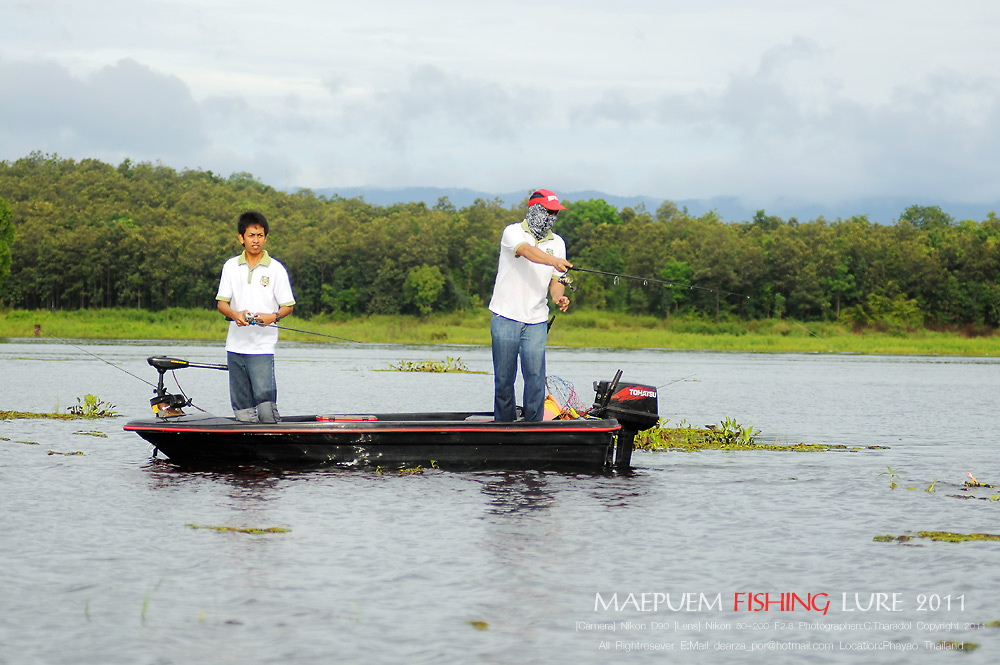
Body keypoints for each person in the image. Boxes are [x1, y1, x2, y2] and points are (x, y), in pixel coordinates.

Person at [488, 189, 573, 421]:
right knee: (505, 378)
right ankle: (504, 426)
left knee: (535, 377)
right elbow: (526, 251)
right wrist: (554, 260)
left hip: (536, 319)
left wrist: (558, 297)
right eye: (548, 211)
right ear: (535, 210)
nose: (552, 217)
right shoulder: (513, 232)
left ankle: (534, 427)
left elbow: (557, 281)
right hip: (505, 316)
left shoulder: (558, 243)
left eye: (555, 213)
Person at [216, 210, 295, 423]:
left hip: (262, 347)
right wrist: (235, 314)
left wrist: (273, 317)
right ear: (241, 238)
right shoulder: (231, 266)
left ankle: (273, 446)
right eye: (251, 235)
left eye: (260, 235)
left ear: (265, 238)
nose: (256, 240)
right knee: (242, 408)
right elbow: (222, 304)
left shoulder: (276, 269)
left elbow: (288, 306)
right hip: (234, 346)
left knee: (266, 406)